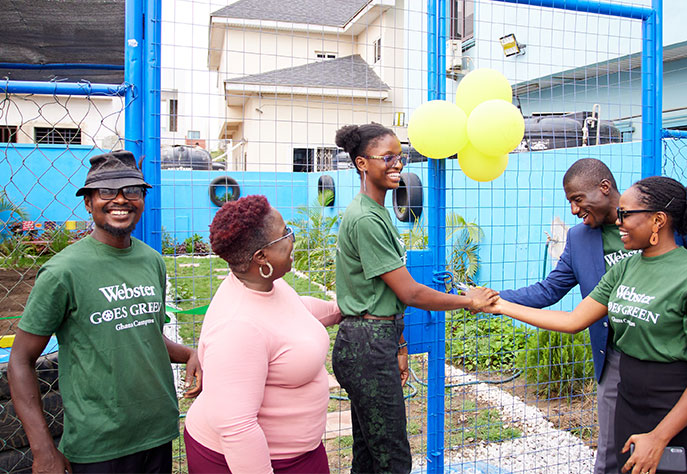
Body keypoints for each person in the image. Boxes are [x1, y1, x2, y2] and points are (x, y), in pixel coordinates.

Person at [498, 158, 687, 474]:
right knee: (617, 456)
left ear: (658, 221)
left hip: (672, 372)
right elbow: (563, 308)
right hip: (620, 363)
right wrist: (495, 301)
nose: (619, 223)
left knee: (668, 463)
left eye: (577, 199)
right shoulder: (614, 260)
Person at [8, 150, 202, 473]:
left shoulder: (152, 261)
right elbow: (19, 361)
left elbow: (145, 334)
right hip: (98, 448)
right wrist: (43, 450)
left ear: (143, 199)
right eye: (107, 191)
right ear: (88, 202)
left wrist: (189, 353)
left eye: (133, 190)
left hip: (157, 435)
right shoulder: (62, 272)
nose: (121, 200)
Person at [332, 123, 498, 473]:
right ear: (362, 163)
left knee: (369, 453)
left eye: (401, 156)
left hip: (376, 340)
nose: (398, 164)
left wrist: (401, 346)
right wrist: (469, 300)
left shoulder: (378, 214)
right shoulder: (365, 219)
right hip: (366, 346)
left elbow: (384, 295)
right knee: (393, 459)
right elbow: (409, 291)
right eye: (388, 157)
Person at [184, 195, 341, 474]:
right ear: (261, 257)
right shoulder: (238, 328)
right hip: (248, 461)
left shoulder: (265, 284)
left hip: (298, 454)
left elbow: (294, 311)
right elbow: (237, 429)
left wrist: (339, 309)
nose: (292, 238)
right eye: (285, 234)